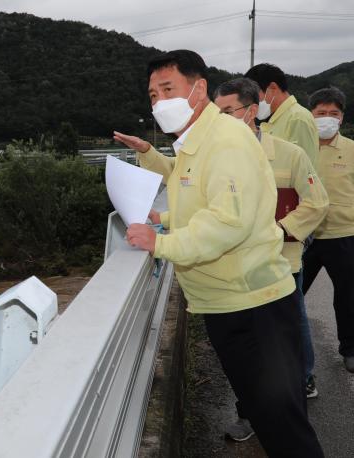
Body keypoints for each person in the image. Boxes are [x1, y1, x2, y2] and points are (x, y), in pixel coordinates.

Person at [113, 50, 324, 458]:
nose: (158, 101)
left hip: (253, 306)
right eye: (152, 94)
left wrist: (161, 243)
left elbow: (228, 223)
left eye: (167, 89)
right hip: (228, 304)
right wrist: (167, 218)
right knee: (270, 420)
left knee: (283, 426)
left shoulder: (226, 140)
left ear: (198, 89)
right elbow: (207, 206)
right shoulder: (196, 144)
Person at [213, 77, 329, 440]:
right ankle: (249, 414)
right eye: (216, 114)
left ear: (250, 112)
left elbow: (317, 202)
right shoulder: (218, 160)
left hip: (280, 269)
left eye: (227, 111)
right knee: (248, 352)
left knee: (283, 352)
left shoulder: (290, 155)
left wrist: (279, 231)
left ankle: (291, 418)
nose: (221, 120)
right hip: (236, 273)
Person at [304, 87, 354, 373]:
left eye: (333, 114)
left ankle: (349, 348)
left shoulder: (351, 149)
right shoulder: (300, 148)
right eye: (320, 113)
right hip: (305, 236)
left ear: (342, 118)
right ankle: (290, 351)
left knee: (348, 296)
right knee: (291, 295)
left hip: (344, 234)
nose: (326, 119)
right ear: (310, 116)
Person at [245, 63, 319, 167]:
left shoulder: (297, 118)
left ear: (272, 88)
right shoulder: (273, 119)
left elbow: (306, 169)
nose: (252, 102)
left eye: (254, 96)